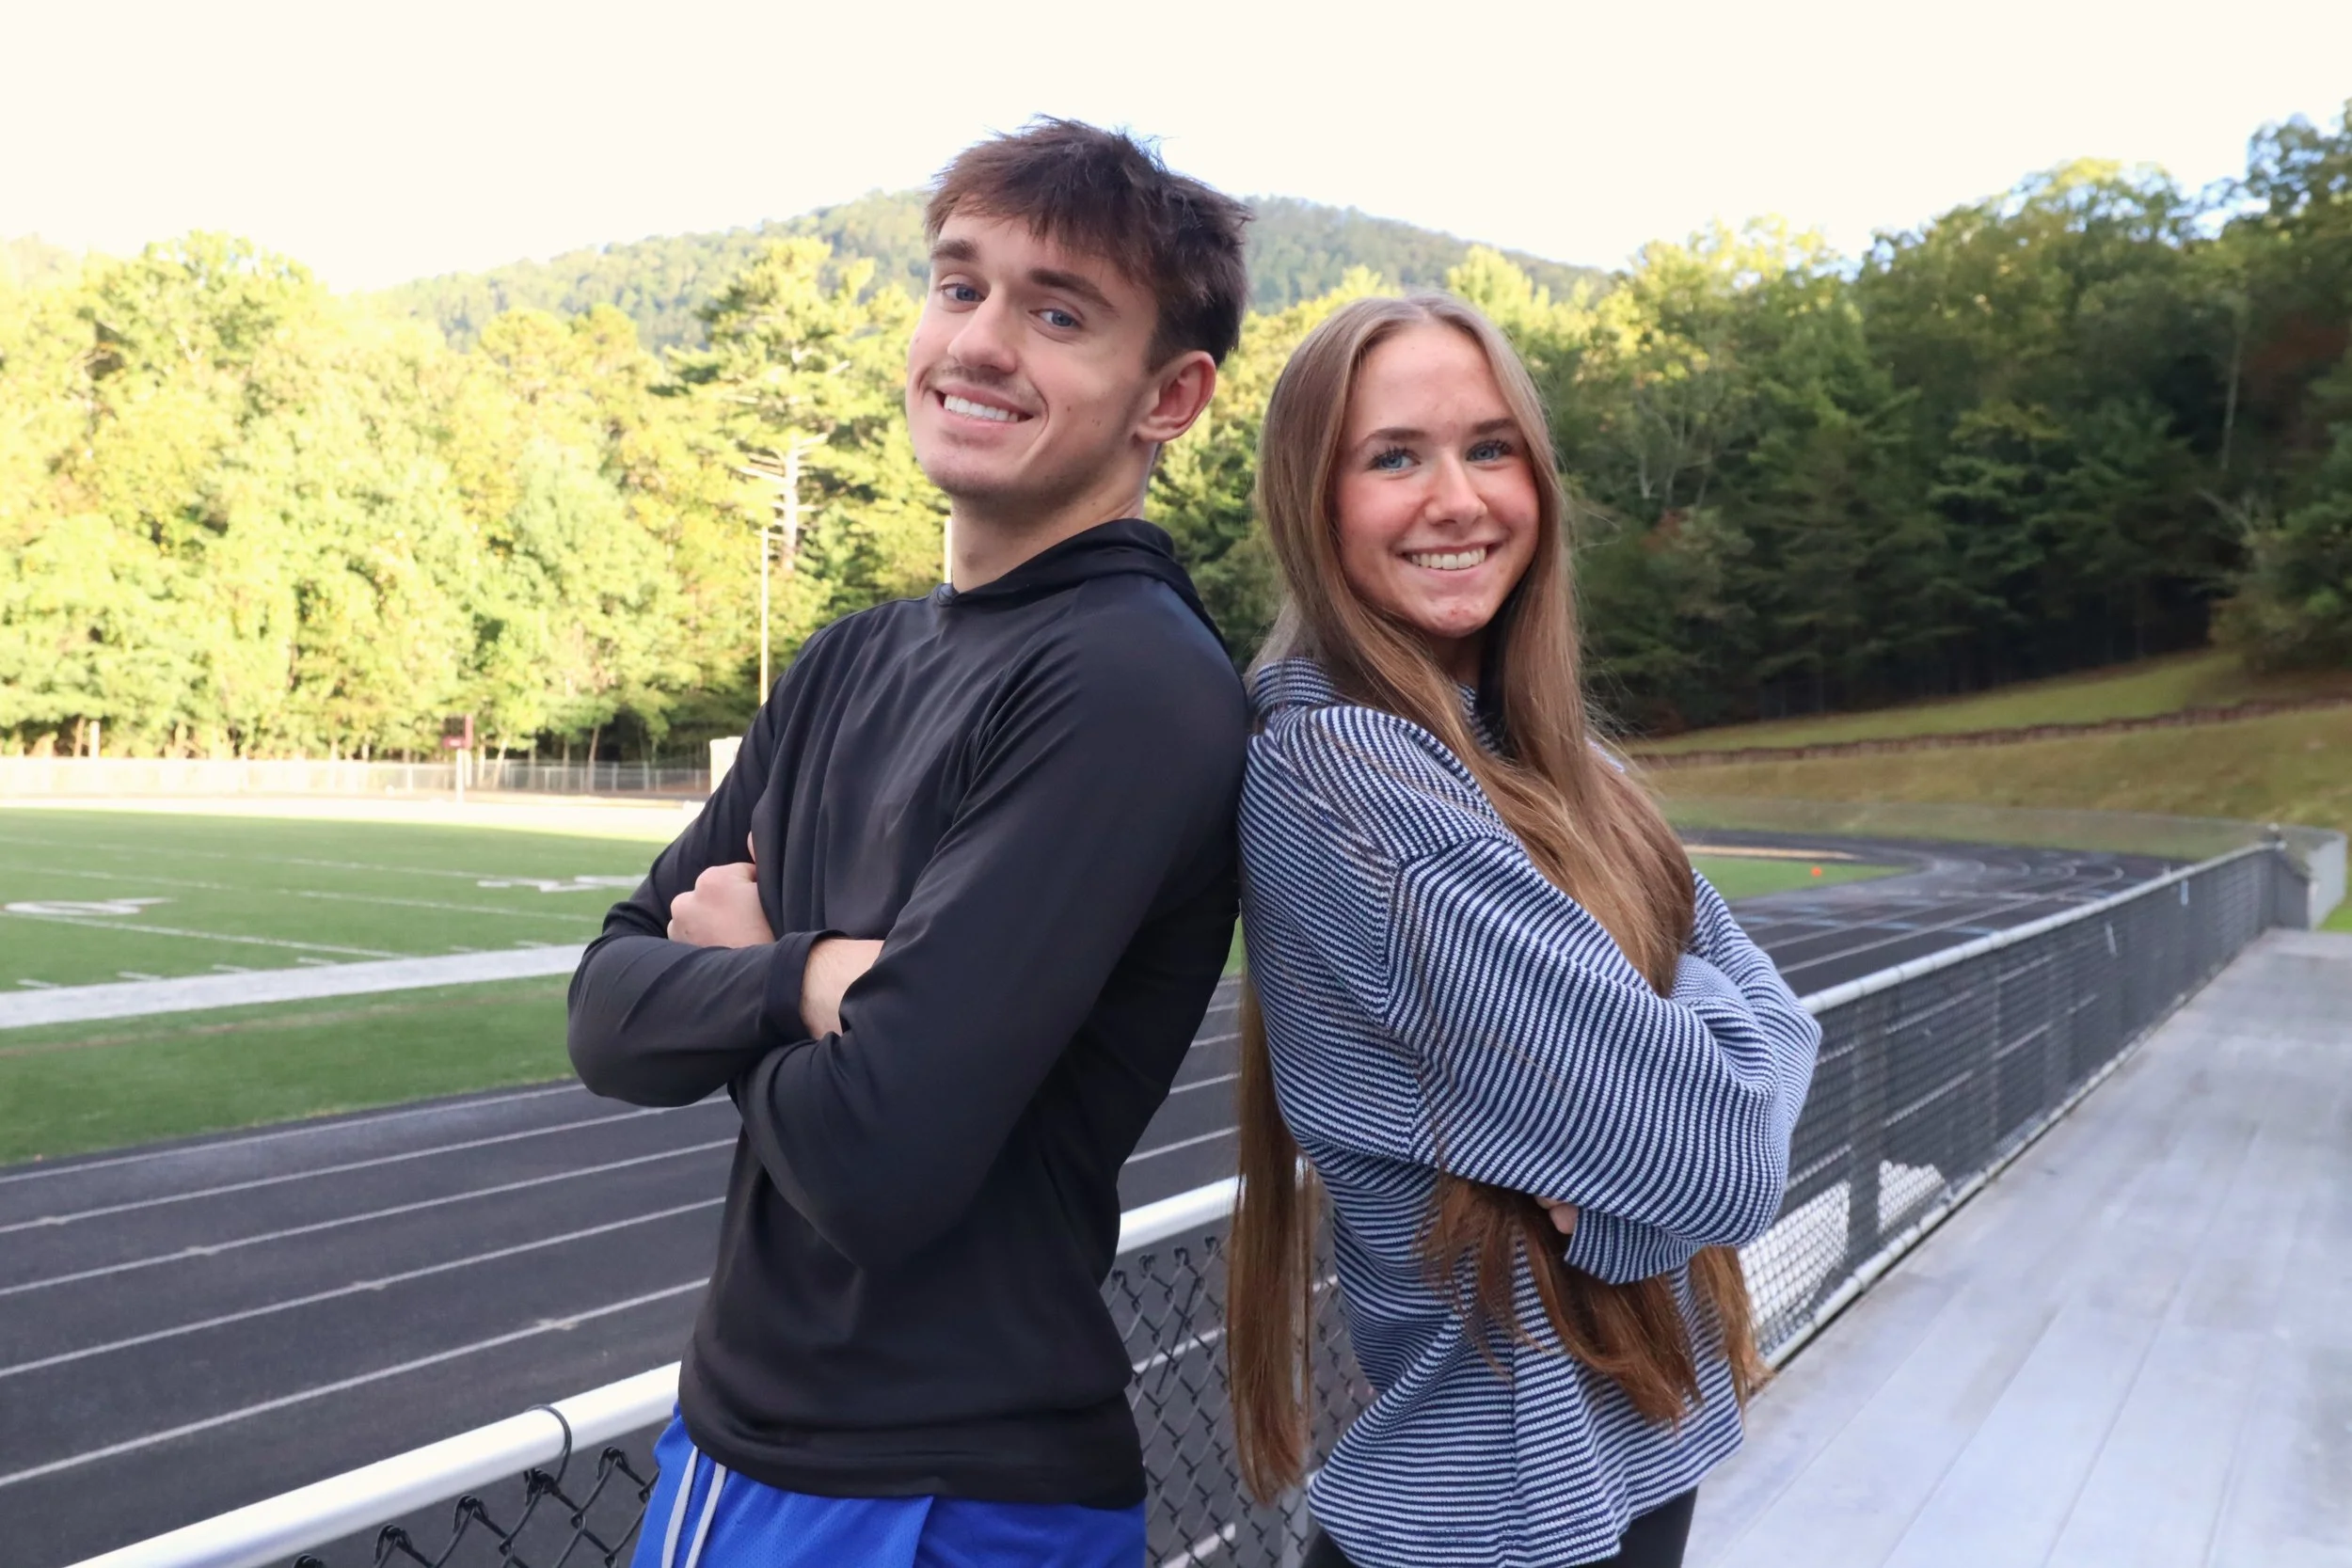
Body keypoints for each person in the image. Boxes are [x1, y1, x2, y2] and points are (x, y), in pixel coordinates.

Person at [566, 119, 1252, 1568]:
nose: (982, 342)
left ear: (1170, 395)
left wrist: (750, 959)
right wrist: (807, 979)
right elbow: (607, 1009)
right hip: (765, 1442)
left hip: (930, 1494)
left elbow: (881, 1161)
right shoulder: (848, 659)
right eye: (959, 287)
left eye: (1059, 313)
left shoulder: (1128, 678)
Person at [1225, 294, 1821, 1568]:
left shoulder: (1564, 763)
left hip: (1641, 1454)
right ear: (1310, 500)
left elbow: (1770, 1045)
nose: (1458, 497)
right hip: (1493, 1510)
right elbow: (1722, 1147)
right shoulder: (1342, 767)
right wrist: (1682, 1059)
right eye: (1394, 456)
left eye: (1491, 448)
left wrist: (1622, 1184)